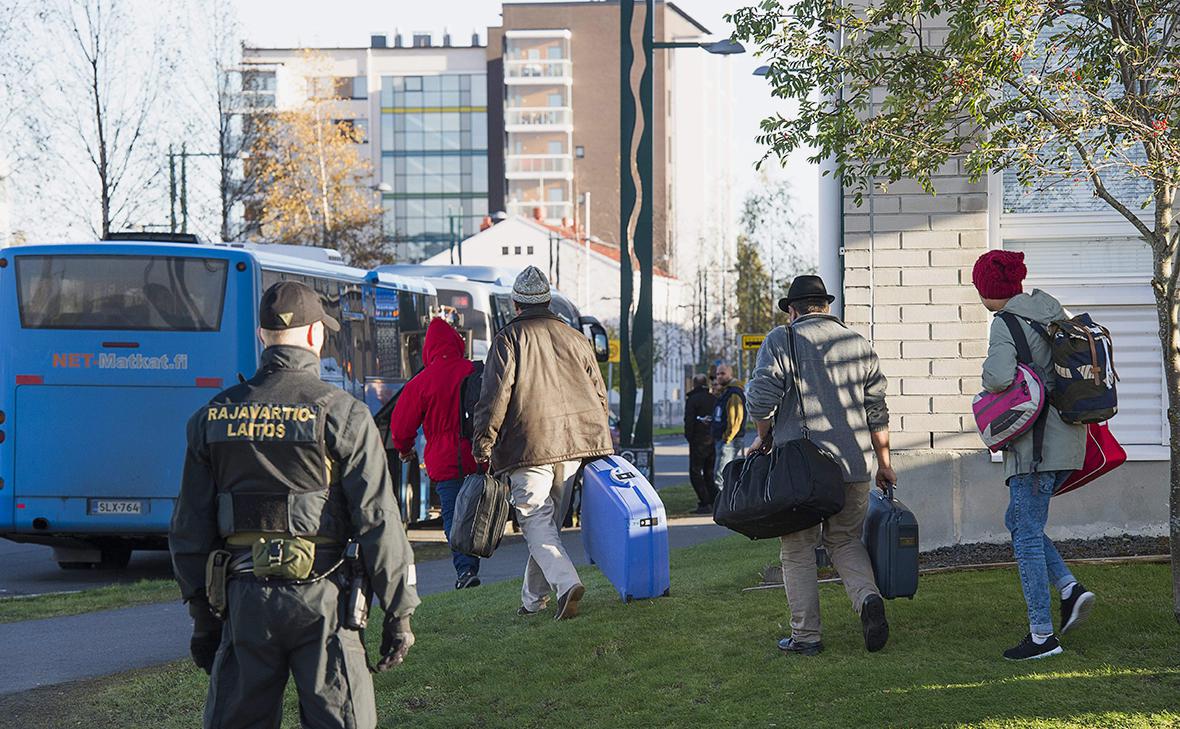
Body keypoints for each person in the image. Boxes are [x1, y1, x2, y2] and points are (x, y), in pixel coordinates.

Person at [170, 281, 420, 729]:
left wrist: (202, 617)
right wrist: (398, 611)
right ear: (312, 336)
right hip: (324, 599)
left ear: (263, 337)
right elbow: (379, 520)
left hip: (244, 600)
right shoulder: (343, 414)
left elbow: (190, 526)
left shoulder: (213, 417)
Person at [745, 274, 893, 657]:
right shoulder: (859, 344)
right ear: (826, 307)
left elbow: (761, 402)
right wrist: (885, 464)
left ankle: (806, 636)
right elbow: (876, 411)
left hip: (803, 472)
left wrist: (762, 435)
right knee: (844, 540)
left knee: (797, 550)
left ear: (792, 310)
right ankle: (867, 599)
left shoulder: (783, 338)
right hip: (855, 465)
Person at [472, 265, 613, 620]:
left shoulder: (508, 339)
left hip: (528, 444)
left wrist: (482, 445)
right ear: (549, 302)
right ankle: (534, 599)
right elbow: (600, 393)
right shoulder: (575, 337)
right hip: (575, 444)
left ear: (516, 304)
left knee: (536, 520)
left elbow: (493, 399)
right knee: (547, 524)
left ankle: (565, 584)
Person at [974, 250, 1095, 661]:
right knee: (1019, 521)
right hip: (1070, 441)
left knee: (1024, 536)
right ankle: (1068, 588)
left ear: (990, 290)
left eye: (979, 288)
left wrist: (986, 375)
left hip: (1035, 448)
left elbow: (998, 377)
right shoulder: (1050, 309)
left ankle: (1043, 637)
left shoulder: (1005, 322)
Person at [390, 317, 481, 590]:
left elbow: (401, 426)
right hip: (478, 456)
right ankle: (472, 564)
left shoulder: (421, 382)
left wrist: (405, 451)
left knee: (454, 517)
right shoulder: (474, 371)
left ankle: (466, 570)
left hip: (445, 461)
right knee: (478, 514)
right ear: (457, 343)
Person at [683, 373, 717, 514]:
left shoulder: (693, 400)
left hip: (698, 440)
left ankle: (704, 502)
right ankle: (714, 501)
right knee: (709, 473)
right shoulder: (713, 399)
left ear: (694, 384)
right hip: (712, 439)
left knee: (695, 472)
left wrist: (689, 437)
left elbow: (689, 421)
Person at [711, 363, 747, 491]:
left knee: (720, 476)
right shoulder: (726, 392)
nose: (719, 376)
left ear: (730, 374)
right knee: (722, 475)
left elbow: (736, 419)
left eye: (722, 373)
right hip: (725, 438)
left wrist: (727, 438)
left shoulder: (734, 393)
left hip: (729, 440)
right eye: (717, 374)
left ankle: (726, 506)